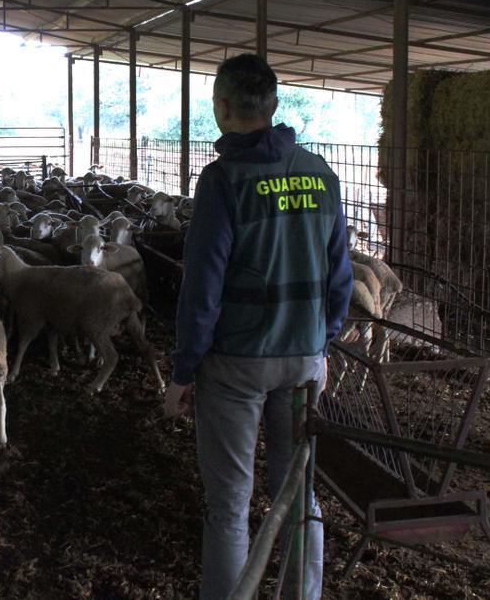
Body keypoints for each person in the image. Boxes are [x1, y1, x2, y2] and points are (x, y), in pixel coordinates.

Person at [163, 54, 352, 599]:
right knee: (299, 494)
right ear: (272, 107)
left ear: (221, 107)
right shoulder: (319, 174)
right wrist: (322, 344)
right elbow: (340, 275)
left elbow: (203, 286)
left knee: (229, 506)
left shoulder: (224, 181)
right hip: (302, 360)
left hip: (238, 364)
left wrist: (183, 370)